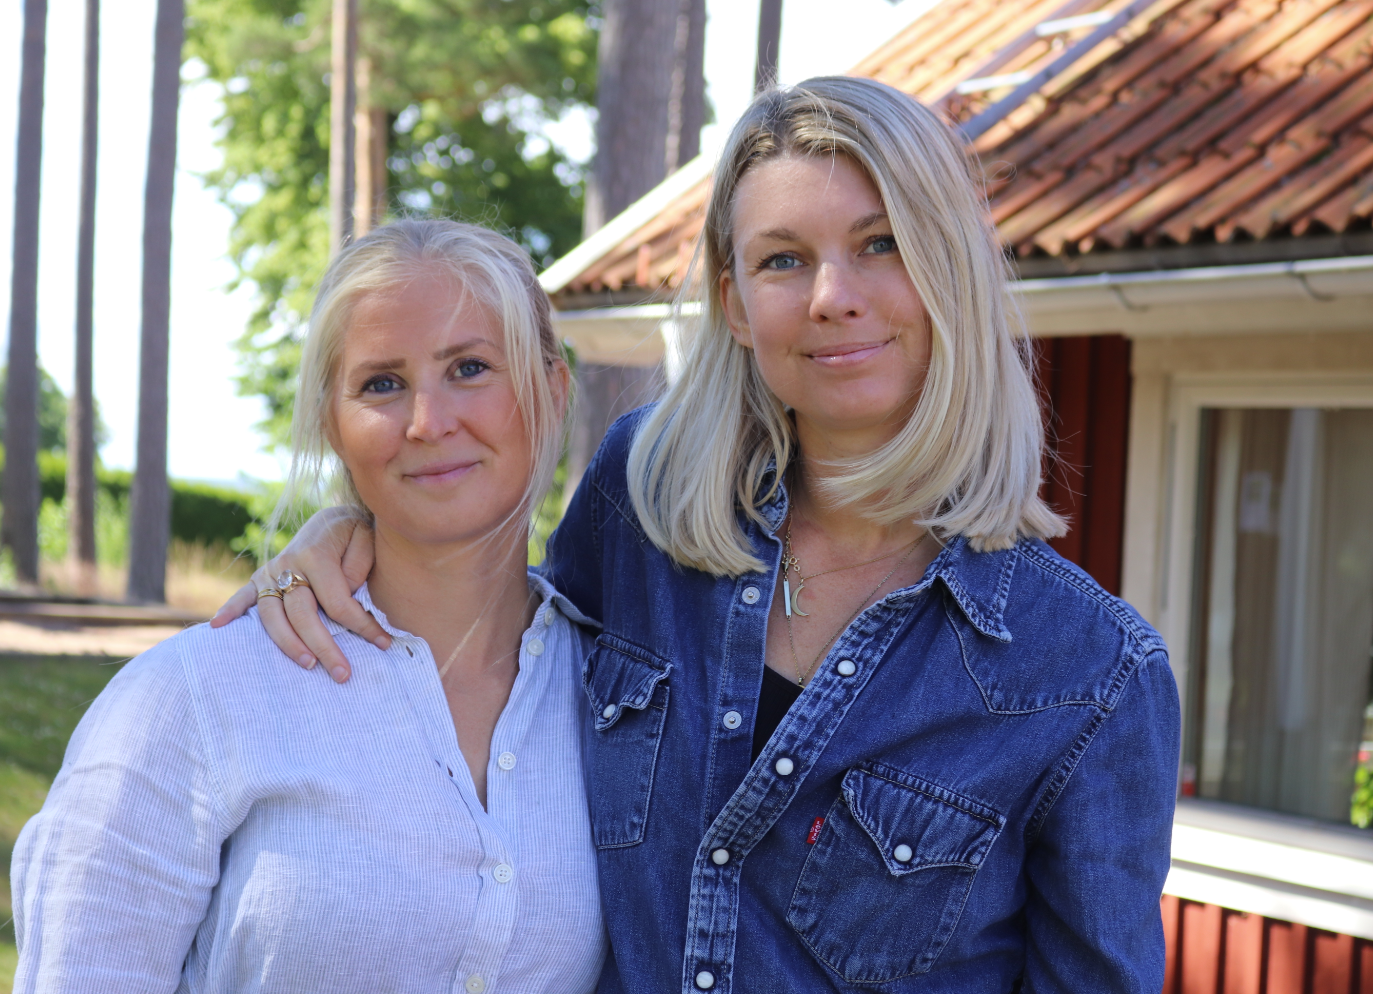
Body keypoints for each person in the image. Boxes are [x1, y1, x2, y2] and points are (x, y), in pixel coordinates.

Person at [214, 77, 1180, 993]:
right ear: (733, 301)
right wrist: (354, 532)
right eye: (781, 259)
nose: (830, 295)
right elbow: (498, 653)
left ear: (951, 269)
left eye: (880, 243)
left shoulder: (1091, 675)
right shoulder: (644, 499)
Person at [11, 220, 606, 993]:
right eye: (381, 384)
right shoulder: (195, 697)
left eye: (469, 368)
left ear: (551, 390)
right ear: (331, 422)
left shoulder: (620, 702)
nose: (427, 422)